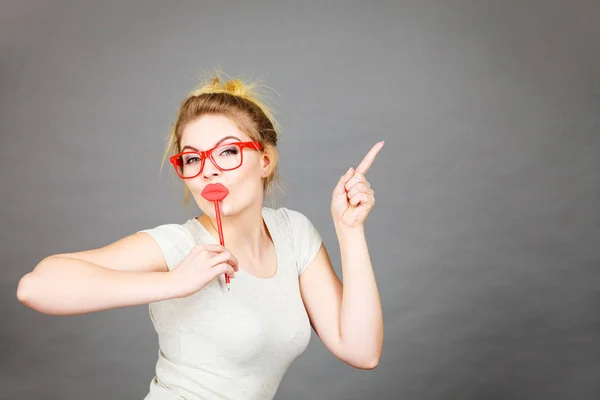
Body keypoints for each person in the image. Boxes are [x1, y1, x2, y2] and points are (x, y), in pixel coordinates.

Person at [16, 72, 385, 400]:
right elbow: (35, 287)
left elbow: (361, 350)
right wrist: (174, 282)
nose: (207, 171)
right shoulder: (178, 246)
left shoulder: (294, 233)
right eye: (192, 158)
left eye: (227, 152)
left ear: (266, 160)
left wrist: (349, 230)